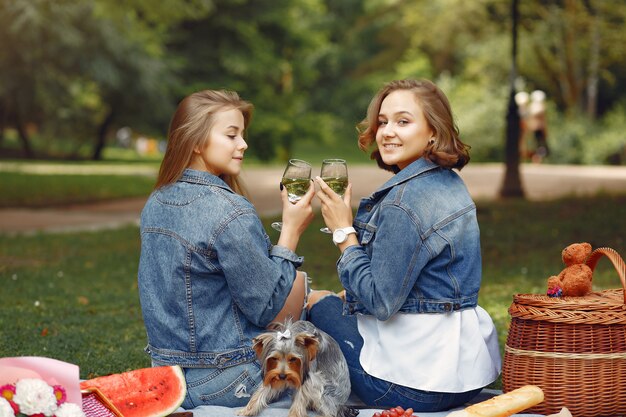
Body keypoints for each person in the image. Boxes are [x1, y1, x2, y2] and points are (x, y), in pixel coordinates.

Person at [309, 79, 501, 412]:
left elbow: (380, 302)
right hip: (466, 379)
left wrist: (343, 231)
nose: (386, 132)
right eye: (382, 122)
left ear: (432, 132)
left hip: (409, 389)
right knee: (337, 300)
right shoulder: (449, 182)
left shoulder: (403, 202)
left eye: (403, 121)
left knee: (317, 303)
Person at [137, 89, 315, 409]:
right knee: (320, 331)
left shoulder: (157, 200)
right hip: (227, 378)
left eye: (242, 135)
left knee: (311, 292)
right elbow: (266, 309)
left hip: (166, 375)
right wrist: (290, 231)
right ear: (194, 141)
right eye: (231, 135)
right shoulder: (230, 211)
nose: (243, 144)